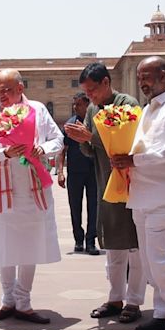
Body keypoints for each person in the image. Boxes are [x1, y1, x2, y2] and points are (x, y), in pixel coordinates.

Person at [112, 56, 165, 330]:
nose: (142, 82)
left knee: (160, 260)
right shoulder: (146, 110)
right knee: (148, 263)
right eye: (139, 78)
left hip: (163, 195)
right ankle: (161, 313)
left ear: (163, 74)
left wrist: (135, 159)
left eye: (146, 76)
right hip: (141, 194)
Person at [0, 69, 63, 324]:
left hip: (32, 189)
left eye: (7, 90)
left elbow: (58, 139)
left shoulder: (37, 110)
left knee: (29, 245)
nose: (1, 95)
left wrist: (41, 148)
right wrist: (4, 153)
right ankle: (7, 301)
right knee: (4, 245)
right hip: (1, 190)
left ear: (21, 88)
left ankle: (23, 302)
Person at [64, 62, 146, 324]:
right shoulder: (92, 109)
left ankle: (133, 301)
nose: (90, 97)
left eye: (92, 91)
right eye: (86, 93)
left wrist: (91, 137)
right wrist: (83, 141)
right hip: (105, 181)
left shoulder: (128, 104)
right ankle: (114, 298)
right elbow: (91, 151)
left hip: (130, 183)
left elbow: (128, 143)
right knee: (112, 244)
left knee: (133, 245)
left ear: (106, 83)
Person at [57, 92, 99, 255]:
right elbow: (62, 150)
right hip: (75, 172)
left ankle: (90, 241)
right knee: (75, 207)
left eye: (79, 104)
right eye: (74, 104)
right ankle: (78, 240)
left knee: (93, 207)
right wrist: (60, 172)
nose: (75, 107)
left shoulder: (95, 123)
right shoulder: (70, 125)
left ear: (88, 105)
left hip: (93, 171)